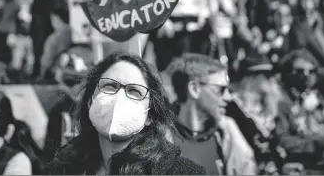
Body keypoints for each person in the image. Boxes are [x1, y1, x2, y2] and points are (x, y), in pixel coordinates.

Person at [48, 51, 206, 175]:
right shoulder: (65, 166)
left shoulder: (182, 172)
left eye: (134, 91)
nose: (119, 98)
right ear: (90, 101)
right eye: (110, 86)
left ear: (150, 115)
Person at [168, 53, 257, 175]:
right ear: (194, 88)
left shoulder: (224, 132)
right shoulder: (161, 139)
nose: (228, 97)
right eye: (220, 89)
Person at [274, 49, 324, 174]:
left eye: (311, 71)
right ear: (287, 73)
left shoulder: (317, 97)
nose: (307, 75)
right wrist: (317, 143)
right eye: (300, 71)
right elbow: (281, 141)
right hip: (299, 166)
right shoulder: (280, 102)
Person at [290, 0, 324, 66]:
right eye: (304, 0)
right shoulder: (298, 18)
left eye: (308, 0)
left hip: (316, 46)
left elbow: (319, 38)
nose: (305, 3)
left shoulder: (317, 18)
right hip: (305, 50)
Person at [210, 0, 237, 66]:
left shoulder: (226, 0)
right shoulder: (210, 0)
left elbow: (233, 14)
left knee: (229, 55)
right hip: (213, 33)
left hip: (226, 32)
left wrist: (223, 7)